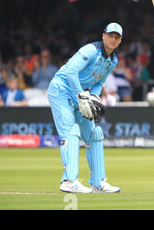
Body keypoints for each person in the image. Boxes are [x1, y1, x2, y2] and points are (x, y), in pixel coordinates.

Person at [47, 22, 122, 193]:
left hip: (81, 95)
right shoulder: (90, 50)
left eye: (116, 37)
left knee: (94, 134)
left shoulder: (113, 61)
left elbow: (100, 82)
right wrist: (81, 94)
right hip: (61, 89)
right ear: (103, 36)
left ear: (120, 41)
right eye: (110, 35)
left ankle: (98, 182)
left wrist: (93, 97)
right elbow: (70, 72)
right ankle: (68, 181)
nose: (112, 39)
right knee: (71, 131)